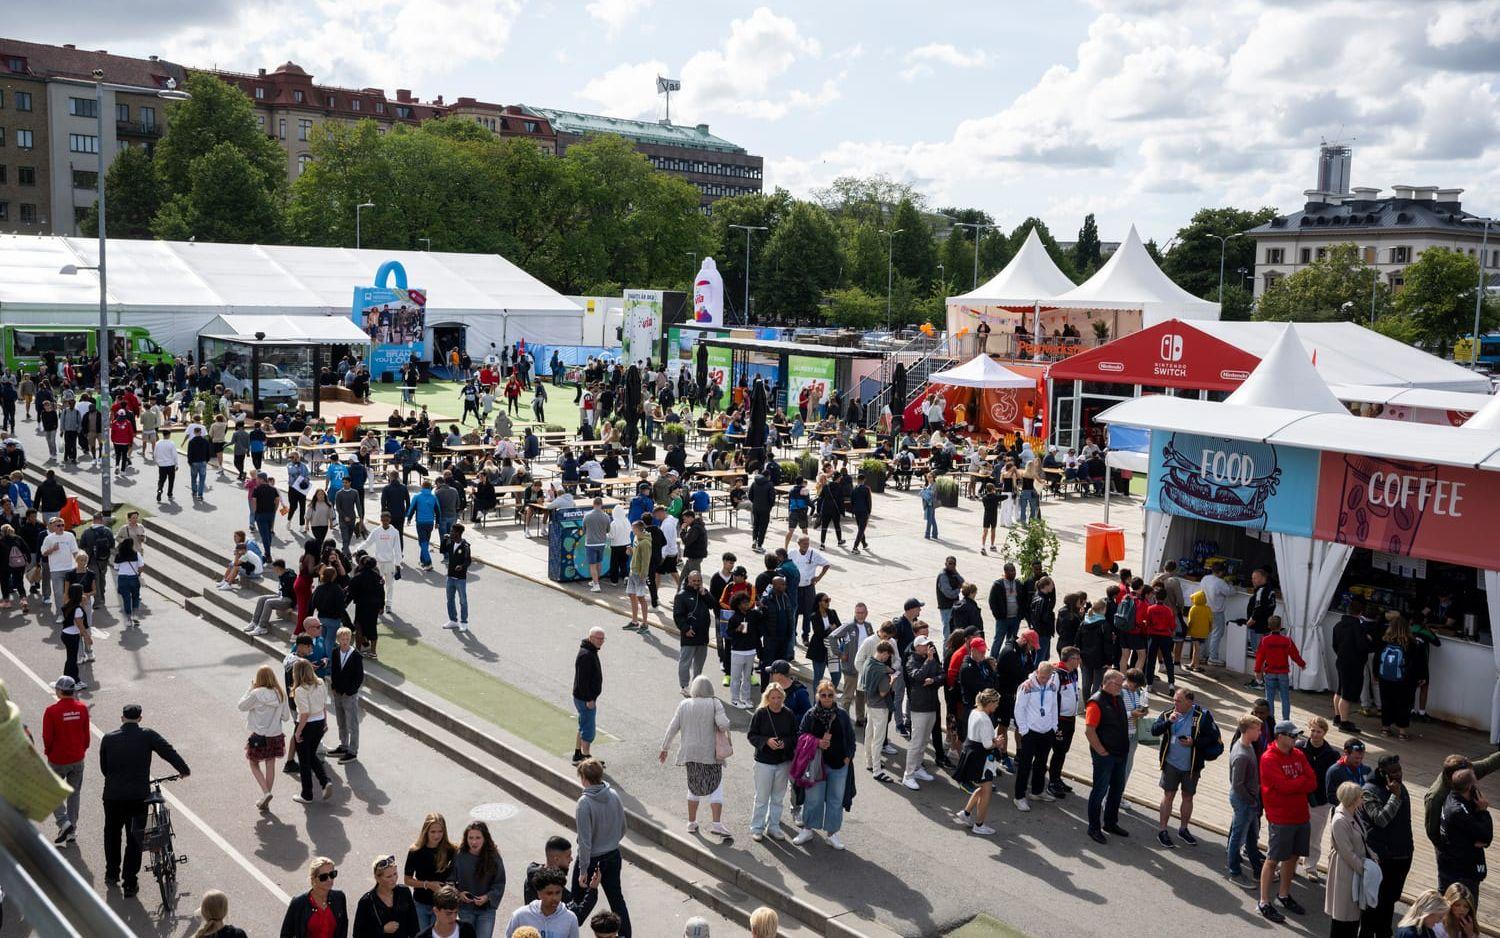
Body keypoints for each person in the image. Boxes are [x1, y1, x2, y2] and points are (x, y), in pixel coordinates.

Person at [99, 703, 190, 897]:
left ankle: (111, 874)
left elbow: (104, 768)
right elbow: (168, 751)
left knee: (112, 835)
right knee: (135, 838)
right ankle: (130, 882)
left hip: (113, 796)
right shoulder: (147, 735)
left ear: (122, 717)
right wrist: (183, 770)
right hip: (138, 796)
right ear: (140, 718)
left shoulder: (108, 738)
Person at [1258, 720, 1318, 923]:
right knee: (1273, 859)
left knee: (1292, 857)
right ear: (1280, 736)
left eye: (1295, 736)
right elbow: (1283, 786)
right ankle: (1264, 901)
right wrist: (1300, 782)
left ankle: (1283, 894)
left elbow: (1313, 782)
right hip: (1281, 817)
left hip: (1301, 815)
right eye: (1292, 736)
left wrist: (1296, 784)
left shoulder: (1298, 755)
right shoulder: (1268, 758)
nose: (1295, 739)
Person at [660, 674, 733, 838]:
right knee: (716, 787)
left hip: (690, 754)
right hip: (711, 754)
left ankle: (691, 823)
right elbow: (723, 725)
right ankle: (717, 824)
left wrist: (665, 748)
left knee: (693, 787)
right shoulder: (715, 703)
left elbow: (673, 727)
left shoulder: (684, 704)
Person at [1151, 687, 1220, 848]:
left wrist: (1193, 743)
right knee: (1168, 796)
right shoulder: (1169, 714)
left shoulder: (1203, 716)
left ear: (1190, 702)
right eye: (1174, 700)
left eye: (1179, 701)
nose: (1175, 703)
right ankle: (1162, 830)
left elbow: (1213, 738)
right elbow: (1154, 731)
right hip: (1170, 764)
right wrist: (1169, 722)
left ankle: (1183, 829)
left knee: (1188, 797)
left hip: (1192, 767)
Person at [792, 680, 854, 850]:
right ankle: (807, 829)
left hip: (839, 765)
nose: (827, 698)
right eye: (823, 695)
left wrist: (848, 757)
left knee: (835, 801)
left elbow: (851, 738)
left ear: (835, 695)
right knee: (813, 799)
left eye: (830, 695)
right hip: (816, 765)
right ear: (818, 695)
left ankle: (832, 833)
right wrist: (817, 742)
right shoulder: (811, 714)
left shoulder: (841, 714)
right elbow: (801, 735)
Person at [574, 757, 630, 935]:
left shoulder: (584, 803)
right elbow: (623, 827)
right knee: (617, 900)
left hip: (592, 860)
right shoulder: (613, 795)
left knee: (576, 903)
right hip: (613, 855)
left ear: (584, 778)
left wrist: (583, 870)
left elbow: (584, 841)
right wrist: (611, 841)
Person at [1362, 754, 1413, 938]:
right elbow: (1380, 819)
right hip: (1382, 857)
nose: (1398, 774)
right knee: (1375, 901)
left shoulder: (1401, 787)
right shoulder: (1369, 791)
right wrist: (1394, 797)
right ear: (1382, 773)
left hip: (1403, 854)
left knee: (1390, 900)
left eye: (1399, 770)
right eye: (1393, 772)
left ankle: (1384, 932)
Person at [1083, 669, 1132, 843]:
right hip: (1105, 756)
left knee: (1117, 789)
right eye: (1119, 684)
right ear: (1109, 683)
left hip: (1120, 753)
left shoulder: (1117, 697)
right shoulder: (1096, 703)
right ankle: (1093, 828)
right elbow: (1089, 731)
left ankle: (1110, 822)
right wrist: (1100, 750)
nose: (1122, 687)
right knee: (1099, 791)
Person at [1327, 781, 1378, 938]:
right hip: (1346, 871)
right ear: (1353, 799)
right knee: (1343, 918)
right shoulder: (1340, 820)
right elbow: (1347, 853)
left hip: (1355, 868)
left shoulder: (1354, 814)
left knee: (1352, 918)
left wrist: (1371, 854)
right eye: (1360, 797)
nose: (1362, 799)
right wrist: (1365, 870)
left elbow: (1361, 838)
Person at [747, 682, 798, 840]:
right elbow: (751, 735)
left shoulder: (788, 714)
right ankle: (757, 827)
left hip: (782, 762)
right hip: (764, 762)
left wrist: (785, 743)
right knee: (762, 797)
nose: (776, 700)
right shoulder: (761, 713)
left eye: (779, 697)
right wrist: (766, 741)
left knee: (777, 798)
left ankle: (773, 827)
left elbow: (795, 737)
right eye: (773, 697)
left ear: (783, 697)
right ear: (767, 698)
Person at [43, 675, 89, 847]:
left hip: (57, 759)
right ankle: (72, 831)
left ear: (61, 691)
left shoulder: (51, 711)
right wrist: (81, 750)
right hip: (77, 758)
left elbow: (47, 737)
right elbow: (86, 736)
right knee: (74, 793)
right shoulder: (82, 709)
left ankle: (64, 822)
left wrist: (49, 753)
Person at [238, 664, 291, 812]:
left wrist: (250, 689)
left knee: (253, 763)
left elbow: (241, 706)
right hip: (276, 735)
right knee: (270, 764)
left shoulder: (256, 693)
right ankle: (266, 798)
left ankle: (266, 793)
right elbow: (286, 717)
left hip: (259, 736)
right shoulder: (281, 693)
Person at [1437, 767, 1492, 904]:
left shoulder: (1453, 796)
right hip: (1462, 875)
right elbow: (1486, 837)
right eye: (1476, 782)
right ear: (1470, 787)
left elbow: (1481, 838)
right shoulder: (1458, 811)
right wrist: (1483, 811)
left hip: (1453, 869)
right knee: (1463, 916)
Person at [1296, 719, 1341, 882]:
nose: (1314, 734)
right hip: (1299, 797)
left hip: (1320, 800)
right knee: (1293, 832)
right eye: (1312, 730)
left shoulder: (1332, 754)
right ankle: (1289, 864)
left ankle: (1310, 866)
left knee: (1315, 835)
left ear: (1324, 733)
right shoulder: (1299, 748)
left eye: (1318, 731)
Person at [1011, 661, 1058, 812]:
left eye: (1046, 677)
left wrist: (1054, 726)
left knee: (1041, 763)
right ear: (1037, 672)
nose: (1043, 680)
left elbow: (1054, 707)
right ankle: (1019, 797)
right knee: (1025, 765)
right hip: (1031, 732)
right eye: (1041, 676)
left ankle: (1037, 791)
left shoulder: (1052, 685)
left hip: (1047, 732)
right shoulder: (1026, 687)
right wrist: (1024, 730)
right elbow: (1019, 709)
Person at [288, 657, 334, 805]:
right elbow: (324, 706)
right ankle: (325, 781)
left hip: (306, 725)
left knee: (304, 761)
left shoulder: (300, 690)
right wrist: (325, 722)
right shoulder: (320, 683)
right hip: (319, 722)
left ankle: (307, 794)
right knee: (311, 755)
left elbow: (305, 714)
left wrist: (297, 732)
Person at [1226, 714, 1266, 883]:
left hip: (1249, 800)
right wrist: (1251, 800)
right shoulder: (1242, 754)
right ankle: (1234, 872)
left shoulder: (1247, 745)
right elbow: (1237, 784)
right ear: (1248, 730)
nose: (1260, 733)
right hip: (1244, 801)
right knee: (1238, 837)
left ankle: (1257, 869)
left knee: (1251, 836)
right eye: (1257, 730)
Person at [902, 634, 943, 790]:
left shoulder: (931, 660)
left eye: (928, 645)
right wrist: (928, 662)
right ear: (917, 647)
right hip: (919, 707)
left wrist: (933, 680)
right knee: (916, 742)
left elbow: (942, 675)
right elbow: (917, 677)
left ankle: (918, 768)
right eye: (925, 645)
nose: (928, 647)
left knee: (925, 740)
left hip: (931, 705)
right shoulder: (911, 661)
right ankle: (908, 775)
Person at [405, 813, 458, 932]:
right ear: (426, 831)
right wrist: (428, 884)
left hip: (442, 906)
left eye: (440, 831)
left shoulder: (451, 850)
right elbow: (407, 880)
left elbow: (456, 875)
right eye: (433, 832)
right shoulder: (415, 851)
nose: (437, 835)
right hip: (421, 903)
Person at [354, 853, 421, 938]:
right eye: (389, 877)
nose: (394, 879)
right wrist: (382, 930)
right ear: (377, 878)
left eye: (395, 874)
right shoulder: (366, 902)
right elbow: (358, 934)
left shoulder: (404, 892)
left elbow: (414, 925)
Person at [280, 857, 349, 938]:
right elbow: (286, 934)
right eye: (324, 877)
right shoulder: (298, 903)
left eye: (332, 874)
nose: (329, 879)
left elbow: (343, 928)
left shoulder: (339, 898)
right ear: (313, 879)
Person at [1254, 615, 1306, 722]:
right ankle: (1286, 720)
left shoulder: (1265, 640)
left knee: (1269, 699)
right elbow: (1295, 655)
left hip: (1270, 673)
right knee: (1285, 698)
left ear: (1269, 626)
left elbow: (1260, 657)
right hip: (1283, 673)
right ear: (1280, 626)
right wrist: (1302, 664)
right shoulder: (1287, 641)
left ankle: (1271, 720)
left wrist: (1257, 670)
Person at [1332, 598, 1372, 733]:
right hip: (1353, 663)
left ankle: (1337, 717)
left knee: (1339, 689)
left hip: (1341, 660)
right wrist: (1368, 641)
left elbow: (1335, 645)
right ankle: (1344, 722)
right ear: (1360, 612)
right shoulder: (1358, 627)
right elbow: (1361, 646)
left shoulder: (1338, 625)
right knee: (1347, 694)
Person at [506, 866, 579, 938]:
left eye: (558, 892)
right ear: (539, 893)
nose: (555, 898)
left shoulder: (570, 919)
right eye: (549, 893)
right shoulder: (520, 916)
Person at [862, 639, 898, 783]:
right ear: (883, 653)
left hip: (869, 704)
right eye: (888, 656)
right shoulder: (881, 671)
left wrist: (888, 670)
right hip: (880, 707)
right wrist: (892, 681)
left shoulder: (868, 663)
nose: (888, 659)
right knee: (878, 739)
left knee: (868, 734)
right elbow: (883, 692)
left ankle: (869, 762)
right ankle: (877, 771)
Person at [1378, 614, 1417, 739]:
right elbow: (1416, 663)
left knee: (1386, 702)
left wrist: (1376, 673)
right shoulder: (1411, 643)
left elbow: (1378, 659)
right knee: (1403, 704)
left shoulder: (1385, 640)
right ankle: (1402, 732)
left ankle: (1385, 729)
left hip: (1385, 678)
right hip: (1404, 680)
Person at [673, 571, 712, 694]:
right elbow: (678, 616)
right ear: (688, 580)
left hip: (702, 636)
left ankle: (696, 686)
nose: (696, 583)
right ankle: (684, 686)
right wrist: (685, 629)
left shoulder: (703, 592)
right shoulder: (681, 595)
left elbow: (712, 604)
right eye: (693, 581)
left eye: (698, 581)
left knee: (699, 664)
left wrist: (705, 594)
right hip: (689, 635)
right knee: (685, 662)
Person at [329, 626, 364, 764]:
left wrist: (350, 691)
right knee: (341, 721)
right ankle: (344, 745)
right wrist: (333, 687)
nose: (345, 641)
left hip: (349, 694)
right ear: (338, 640)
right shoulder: (335, 652)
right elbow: (334, 670)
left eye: (347, 639)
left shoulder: (356, 655)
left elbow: (359, 677)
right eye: (342, 639)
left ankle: (353, 750)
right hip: (338, 693)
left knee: (352, 723)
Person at [573, 627, 605, 764]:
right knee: (588, 729)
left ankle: (578, 754)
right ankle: (586, 758)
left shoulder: (589, 650)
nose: (601, 642)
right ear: (591, 638)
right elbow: (582, 681)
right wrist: (589, 699)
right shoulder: (587, 655)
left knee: (583, 725)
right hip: (585, 699)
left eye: (603, 639)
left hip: (582, 697)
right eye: (598, 638)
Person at [59, 583, 91, 689]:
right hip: (72, 636)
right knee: (72, 660)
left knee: (70, 659)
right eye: (81, 592)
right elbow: (80, 624)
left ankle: (66, 680)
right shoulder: (77, 609)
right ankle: (75, 682)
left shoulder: (69, 603)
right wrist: (87, 637)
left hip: (66, 634)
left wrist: (82, 603)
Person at [442, 521, 472, 634]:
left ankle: (464, 622)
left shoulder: (465, 546)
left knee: (463, 601)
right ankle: (453, 620)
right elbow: (442, 550)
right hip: (450, 577)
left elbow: (468, 560)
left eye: (452, 532)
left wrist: (462, 566)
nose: (450, 533)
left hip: (460, 579)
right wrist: (444, 540)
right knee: (450, 599)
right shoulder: (450, 543)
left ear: (458, 533)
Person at [154, 428, 179, 501]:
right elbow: (174, 455)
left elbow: (155, 454)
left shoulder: (158, 443)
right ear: (169, 435)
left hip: (162, 465)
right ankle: (169, 494)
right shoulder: (171, 443)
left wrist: (157, 462)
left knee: (161, 480)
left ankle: (159, 490)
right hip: (170, 465)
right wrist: (176, 464)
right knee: (171, 480)